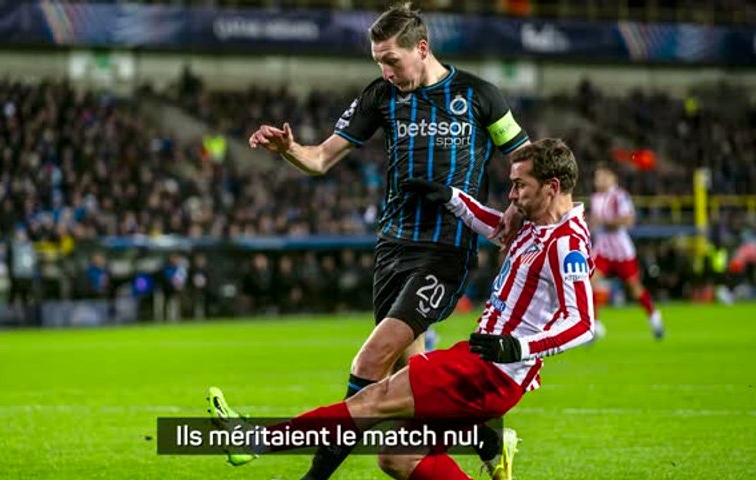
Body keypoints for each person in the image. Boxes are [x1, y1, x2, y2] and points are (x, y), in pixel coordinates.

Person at [247, 4, 529, 478]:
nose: (386, 71)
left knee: (371, 359)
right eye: (379, 61)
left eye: (392, 60)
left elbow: (525, 157)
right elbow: (320, 159)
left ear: (422, 48)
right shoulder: (381, 96)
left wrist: (516, 210)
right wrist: (289, 149)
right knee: (408, 393)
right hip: (393, 248)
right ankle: (487, 439)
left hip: (445, 252)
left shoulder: (480, 96)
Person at [209, 138, 596, 480]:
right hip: (480, 362)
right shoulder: (536, 224)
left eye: (520, 185)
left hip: (491, 373)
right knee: (398, 457)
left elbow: (582, 323)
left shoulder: (567, 245)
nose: (512, 195)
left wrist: (519, 347)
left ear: (552, 187)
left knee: (371, 401)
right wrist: (450, 196)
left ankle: (256, 441)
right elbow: (494, 225)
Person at [589, 164, 664, 339]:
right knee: (588, 283)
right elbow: (594, 222)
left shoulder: (619, 196)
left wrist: (604, 221)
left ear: (612, 179)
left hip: (621, 250)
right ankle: (595, 325)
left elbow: (628, 220)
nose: (598, 181)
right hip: (603, 249)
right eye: (597, 177)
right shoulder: (595, 198)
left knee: (634, 287)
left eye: (602, 177)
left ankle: (654, 317)